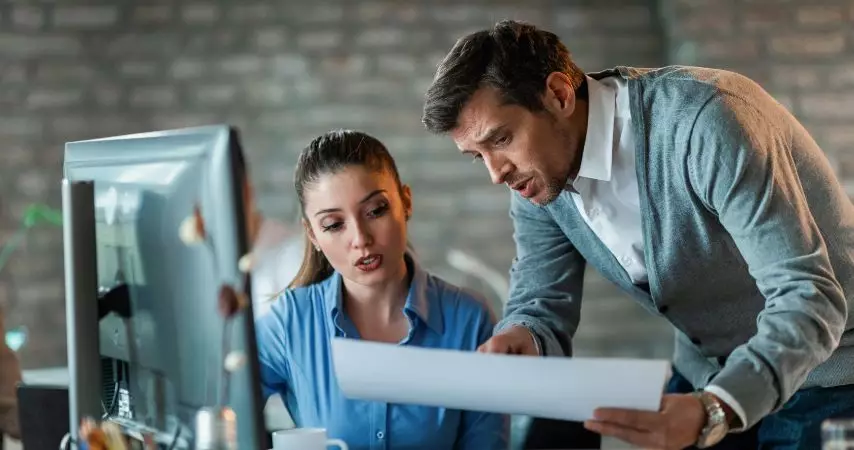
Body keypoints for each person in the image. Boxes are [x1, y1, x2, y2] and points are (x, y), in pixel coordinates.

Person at [420, 19, 854, 450]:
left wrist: (716, 408)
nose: (496, 173)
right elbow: (540, 302)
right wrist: (522, 337)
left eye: (502, 138)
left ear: (558, 94)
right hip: (711, 370)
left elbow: (808, 295)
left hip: (830, 369)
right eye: (477, 157)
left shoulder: (707, 121)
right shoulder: (536, 179)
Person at [253, 129, 509, 450]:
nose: (360, 238)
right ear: (314, 236)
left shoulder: (469, 319)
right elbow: (221, 415)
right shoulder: (290, 323)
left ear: (406, 202)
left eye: (376, 211)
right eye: (334, 225)